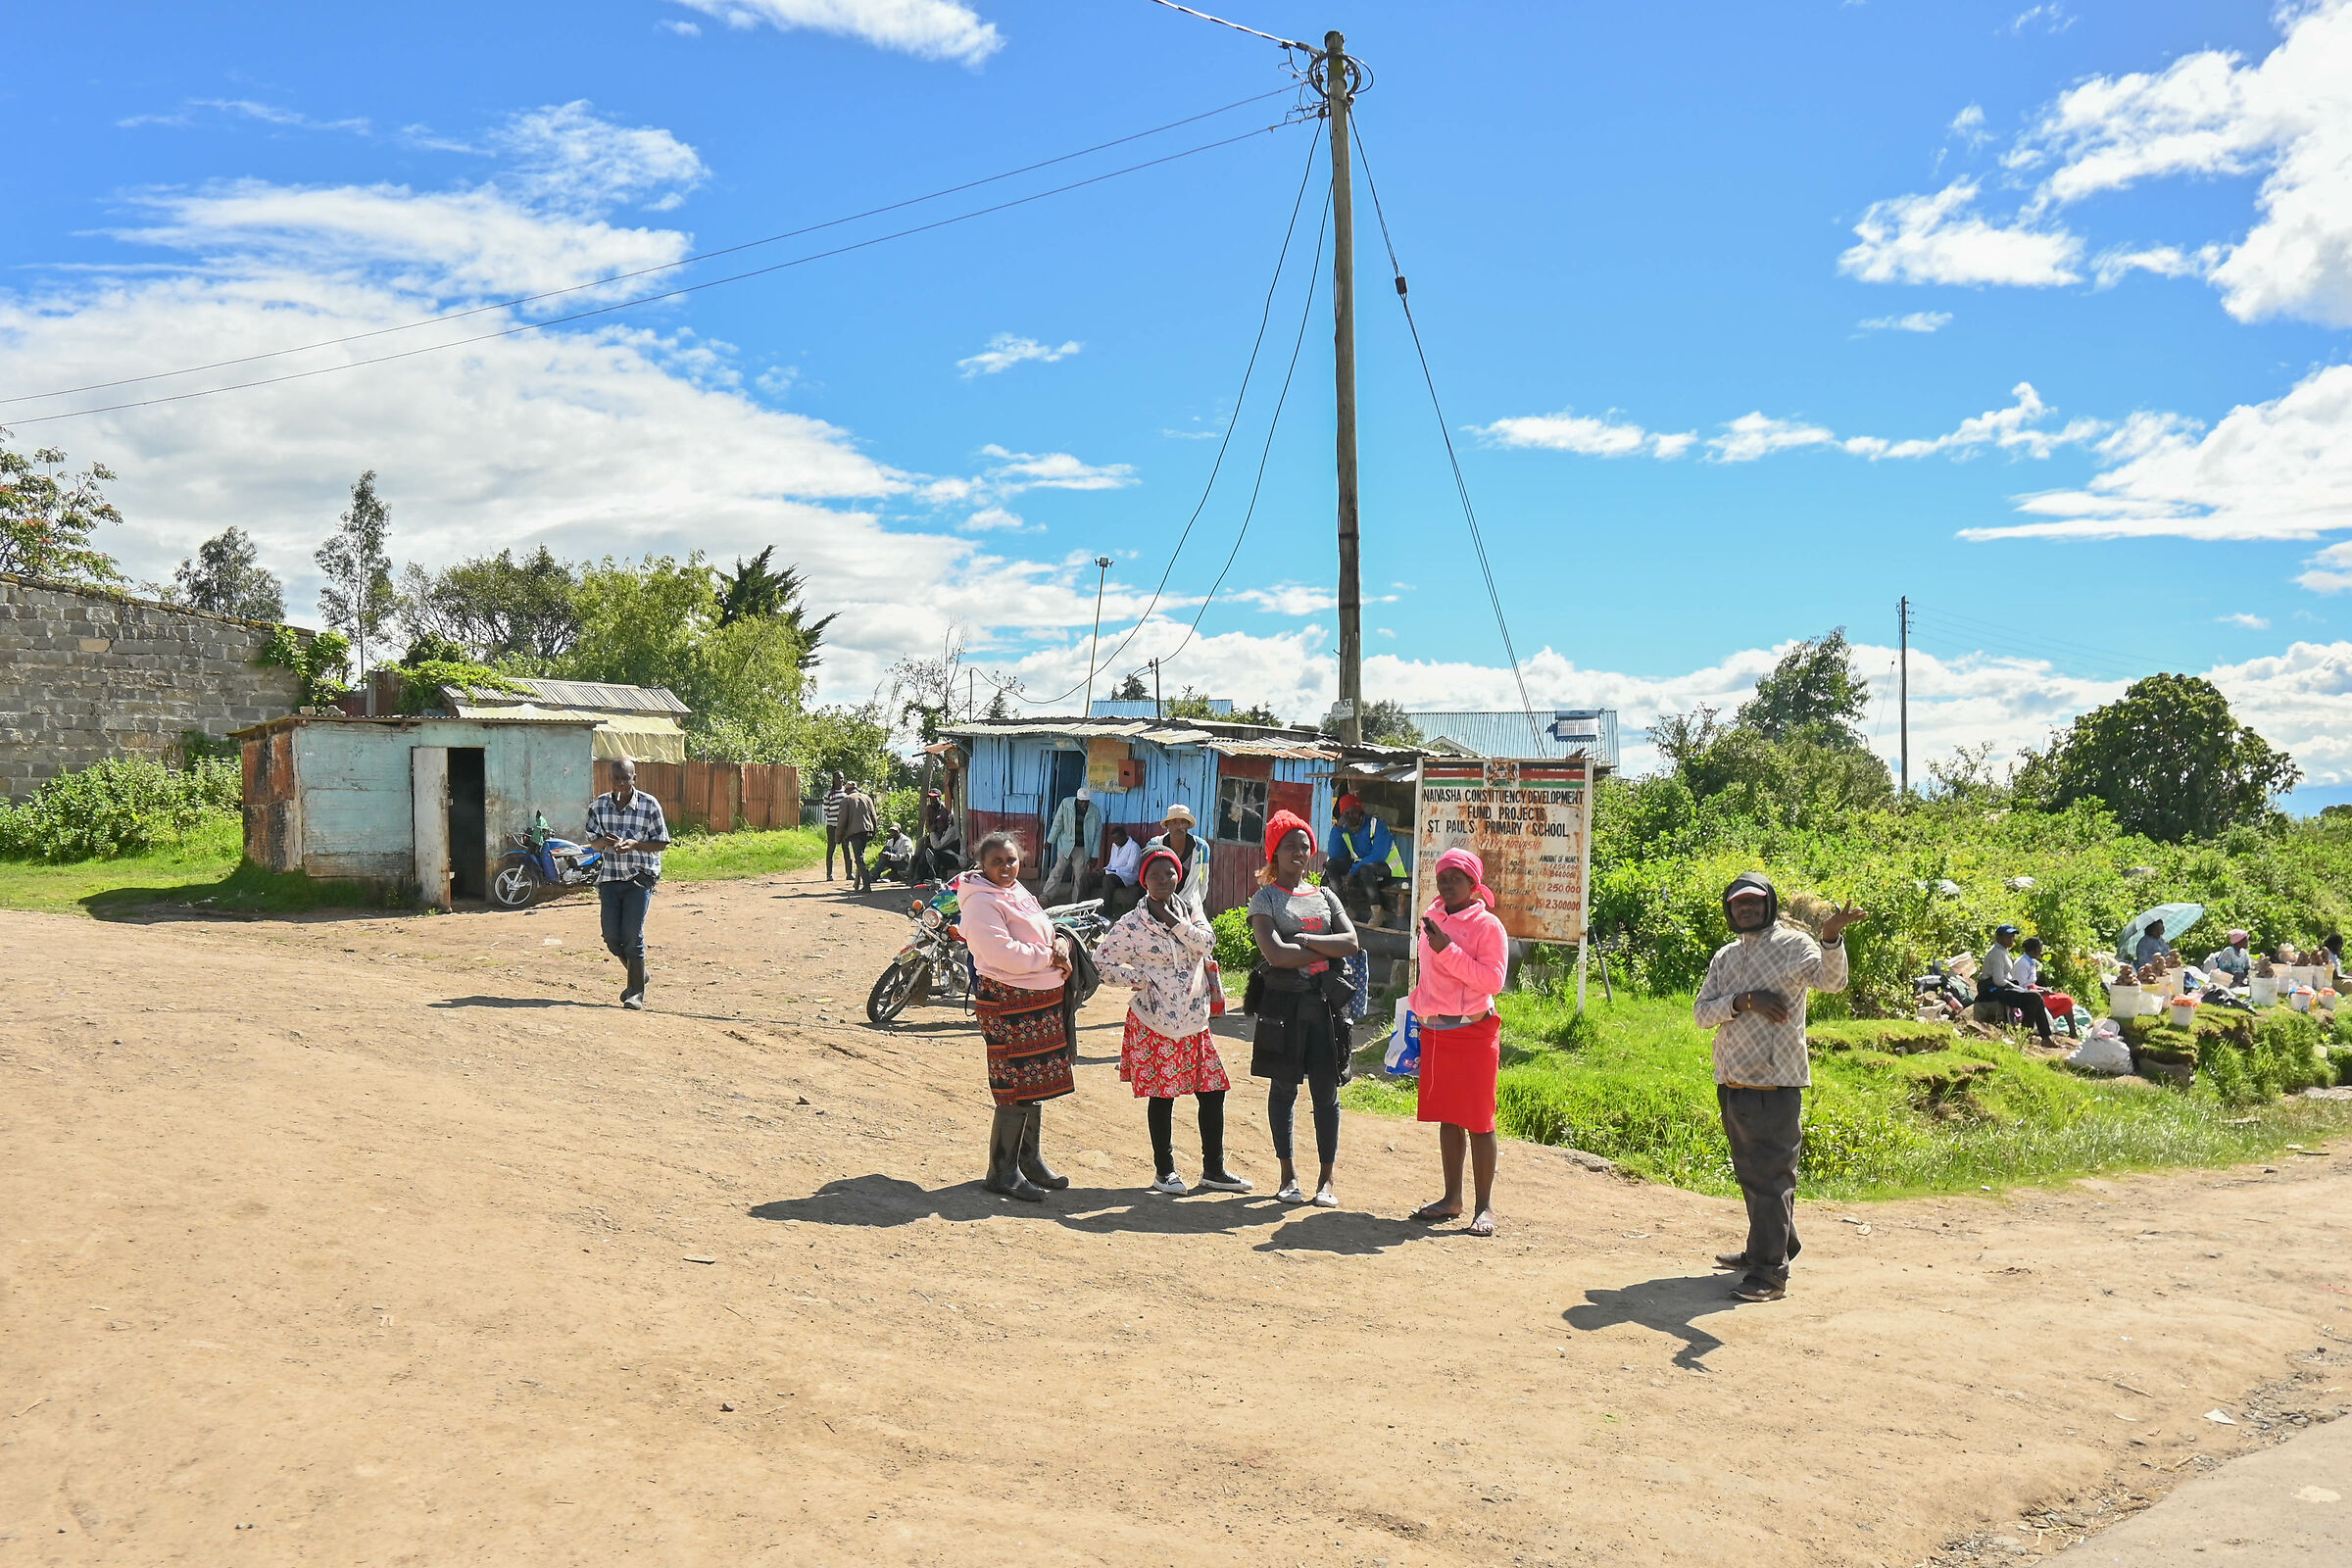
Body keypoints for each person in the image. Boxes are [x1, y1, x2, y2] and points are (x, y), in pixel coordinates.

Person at [1693, 872, 1866, 1303]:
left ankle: (1769, 1274)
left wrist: (1830, 938)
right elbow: (1701, 1013)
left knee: (1772, 1177)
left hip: (1776, 1081)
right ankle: (1768, 1248)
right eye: (1737, 904)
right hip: (1732, 1079)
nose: (1745, 909)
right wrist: (1743, 1001)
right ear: (1729, 910)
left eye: (1753, 902)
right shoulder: (1726, 957)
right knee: (1752, 1174)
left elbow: (1832, 982)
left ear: (1768, 903)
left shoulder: (1794, 946)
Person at [1094, 847, 1250, 1197]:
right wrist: (1136, 979)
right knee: (1163, 1096)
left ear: (1178, 876)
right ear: (1144, 880)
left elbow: (1207, 943)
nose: (1163, 880)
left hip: (1194, 1021)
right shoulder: (1132, 925)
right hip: (1155, 1022)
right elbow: (1101, 962)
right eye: (1155, 875)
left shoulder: (1191, 911)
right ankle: (1165, 1172)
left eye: (1169, 874)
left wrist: (1173, 922)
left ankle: (1213, 1170)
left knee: (1213, 1091)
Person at [1248, 809, 1360, 1207]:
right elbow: (1275, 954)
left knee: (1326, 1093)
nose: (1299, 851)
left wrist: (1303, 940)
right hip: (1284, 1006)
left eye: (1304, 844)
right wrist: (1319, 945)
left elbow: (1350, 943)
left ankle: (1326, 1181)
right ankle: (1287, 1175)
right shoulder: (1265, 899)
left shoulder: (1326, 895)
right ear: (1274, 852)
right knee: (1283, 1089)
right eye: (1289, 845)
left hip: (1325, 1007)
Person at [957, 830, 1077, 1202]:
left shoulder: (1016, 892)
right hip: (1008, 1005)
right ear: (983, 865)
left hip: (1035, 1003)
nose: (1006, 867)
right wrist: (1049, 957)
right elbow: (1001, 953)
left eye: (1011, 860)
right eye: (997, 862)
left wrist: (1059, 941)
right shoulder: (979, 903)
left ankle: (1029, 1159)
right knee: (1014, 1083)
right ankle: (1002, 1170)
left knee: (1034, 1082)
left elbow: (1042, 928)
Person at [1407, 848, 1510, 1237]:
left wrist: (1447, 949)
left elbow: (1491, 982)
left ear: (1473, 884)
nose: (1447, 884)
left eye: (1456, 878)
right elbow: (1428, 976)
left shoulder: (1488, 927)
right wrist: (1416, 1010)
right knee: (1448, 1117)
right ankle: (1452, 1199)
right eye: (1442, 878)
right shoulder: (1432, 918)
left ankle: (1484, 1207)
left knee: (1479, 1121)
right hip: (1436, 1031)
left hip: (1473, 1032)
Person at [583, 757, 671, 1010]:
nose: (621, 783)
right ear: (610, 779)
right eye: (616, 779)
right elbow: (593, 842)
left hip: (639, 876)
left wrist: (634, 845)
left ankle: (635, 993)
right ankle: (638, 973)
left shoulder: (649, 805)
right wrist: (606, 842)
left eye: (626, 778)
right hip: (610, 876)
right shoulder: (599, 806)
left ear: (635, 778)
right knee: (612, 937)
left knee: (632, 935)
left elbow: (661, 842)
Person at [1979, 923, 2056, 1044]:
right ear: (1999, 938)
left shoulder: (2003, 951)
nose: (2012, 939)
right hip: (1991, 990)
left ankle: (2045, 1037)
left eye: (2013, 936)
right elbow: (1998, 980)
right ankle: (2026, 1035)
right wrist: (2017, 988)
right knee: (2033, 998)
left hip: (1999, 987)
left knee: (2036, 998)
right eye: (2008, 936)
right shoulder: (1997, 953)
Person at [1324, 794, 1396, 920]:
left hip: (1389, 870)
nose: (1351, 816)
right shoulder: (1346, 829)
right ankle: (1345, 909)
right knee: (1331, 865)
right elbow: (1335, 854)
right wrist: (1338, 829)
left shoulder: (1376, 824)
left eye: (1354, 812)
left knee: (1365, 869)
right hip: (1363, 870)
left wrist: (1353, 870)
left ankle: (1377, 914)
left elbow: (1379, 855)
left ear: (1361, 812)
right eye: (1346, 813)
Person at [1146, 803, 1212, 924]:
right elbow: (1148, 878)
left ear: (1188, 826)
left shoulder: (1201, 848)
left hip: (1189, 906)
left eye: (1183, 822)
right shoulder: (1154, 846)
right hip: (1160, 907)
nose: (1179, 826)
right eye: (1174, 822)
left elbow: (1204, 880)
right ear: (1167, 825)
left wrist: (1197, 905)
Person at [1042, 787, 1103, 904]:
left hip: (1082, 848)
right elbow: (1057, 823)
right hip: (1065, 845)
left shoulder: (1094, 811)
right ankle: (1046, 896)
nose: (1084, 804)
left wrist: (1094, 855)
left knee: (1080, 877)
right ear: (1077, 799)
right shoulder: (1066, 803)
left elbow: (1097, 834)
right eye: (1081, 801)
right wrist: (1050, 840)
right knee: (1058, 870)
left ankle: (1077, 903)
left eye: (1086, 801)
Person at [2012, 936, 2077, 1036]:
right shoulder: (2022, 963)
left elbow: (2030, 983)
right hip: (2030, 996)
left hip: (2035, 991)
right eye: (2039, 948)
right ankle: (2073, 1033)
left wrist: (2043, 989)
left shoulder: (2030, 961)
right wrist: (2040, 992)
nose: (2041, 951)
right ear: (2034, 949)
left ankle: (2072, 1032)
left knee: (2063, 997)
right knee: (2066, 1001)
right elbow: (2021, 987)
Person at [837, 781, 879, 894]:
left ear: (847, 790)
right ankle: (857, 883)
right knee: (860, 856)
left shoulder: (847, 800)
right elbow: (874, 817)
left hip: (855, 833)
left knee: (859, 859)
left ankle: (867, 885)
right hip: (867, 832)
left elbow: (842, 821)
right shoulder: (867, 798)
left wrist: (838, 837)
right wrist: (874, 831)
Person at [1100, 825, 1144, 917]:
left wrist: (1109, 872)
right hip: (1112, 874)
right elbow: (1111, 864)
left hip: (1126, 877)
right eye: (1114, 840)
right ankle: (1081, 910)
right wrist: (1104, 870)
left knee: (1108, 879)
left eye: (1117, 839)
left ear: (1124, 836)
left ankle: (1106, 913)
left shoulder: (1134, 847)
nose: (1115, 842)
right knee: (1087, 877)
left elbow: (1130, 868)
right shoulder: (1115, 846)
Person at [915, 803, 964, 882]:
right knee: (928, 850)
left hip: (957, 859)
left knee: (935, 853)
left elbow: (937, 846)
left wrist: (932, 832)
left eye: (940, 822)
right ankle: (921, 876)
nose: (938, 825)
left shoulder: (952, 831)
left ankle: (932, 877)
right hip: (950, 855)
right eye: (937, 823)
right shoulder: (945, 831)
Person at [822, 771, 850, 881]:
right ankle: (829, 874)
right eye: (838, 778)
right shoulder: (829, 793)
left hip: (844, 826)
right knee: (831, 848)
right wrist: (834, 817)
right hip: (832, 825)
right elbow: (826, 809)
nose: (840, 780)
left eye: (842, 778)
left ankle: (849, 873)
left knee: (846, 849)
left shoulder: (846, 792)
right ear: (834, 779)